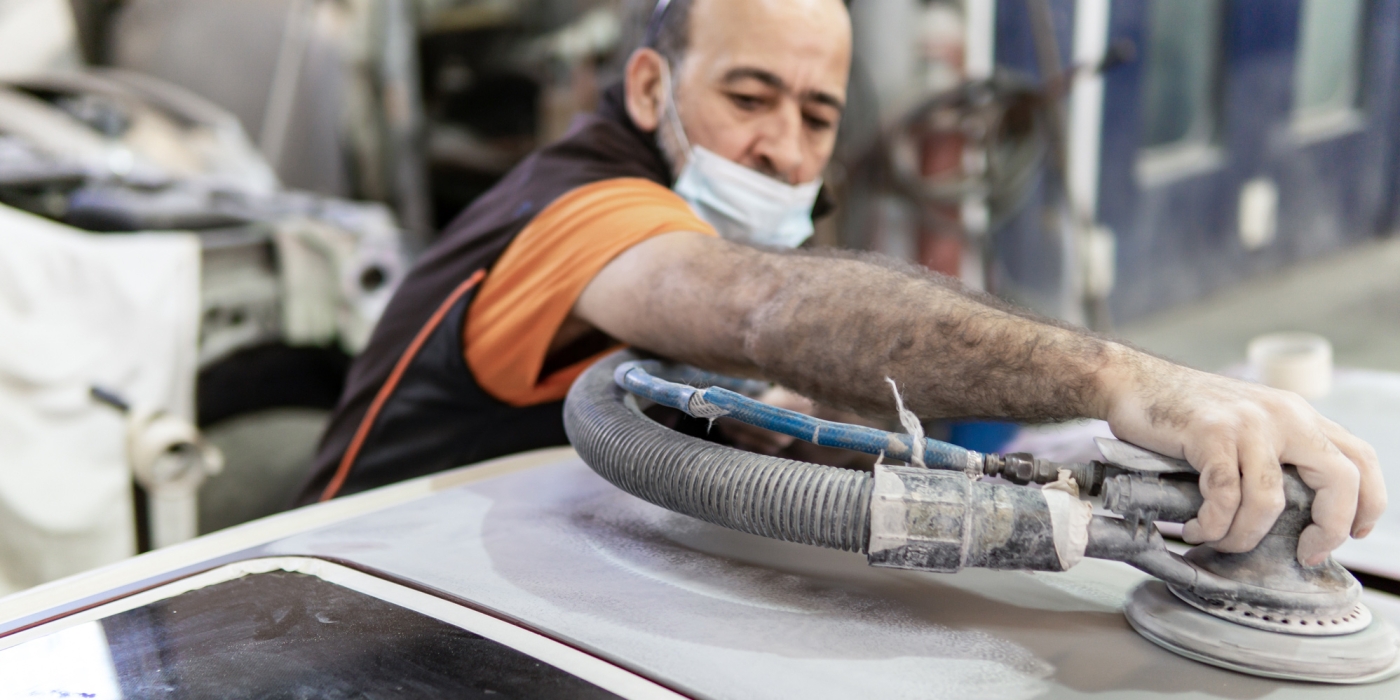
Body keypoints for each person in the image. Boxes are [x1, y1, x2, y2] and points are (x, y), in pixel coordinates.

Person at [296, 0, 1384, 568]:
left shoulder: (717, 203)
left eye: (816, 115)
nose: (780, 146)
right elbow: (762, 309)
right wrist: (1125, 381)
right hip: (355, 603)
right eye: (749, 95)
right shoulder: (574, 213)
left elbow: (816, 364)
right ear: (647, 86)